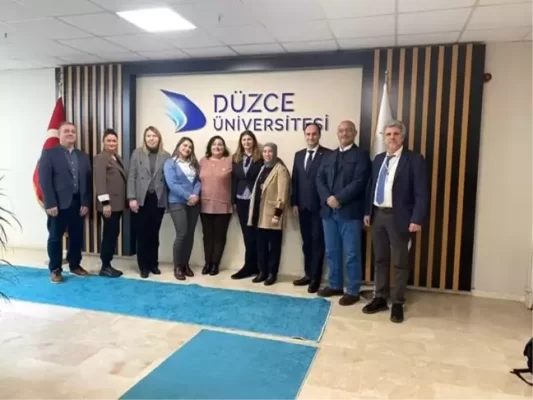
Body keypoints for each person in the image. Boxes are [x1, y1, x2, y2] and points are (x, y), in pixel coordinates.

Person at [363, 120, 428, 323]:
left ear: (402, 137)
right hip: (378, 215)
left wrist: (417, 218)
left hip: (400, 217)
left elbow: (421, 192)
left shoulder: (414, 159)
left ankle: (398, 302)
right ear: (384, 138)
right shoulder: (378, 159)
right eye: (388, 134)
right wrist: (367, 211)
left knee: (400, 261)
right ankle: (380, 297)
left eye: (395, 134)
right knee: (380, 259)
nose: (392, 137)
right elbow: (371, 187)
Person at [316, 120, 370, 305]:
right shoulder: (329, 156)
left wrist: (339, 198)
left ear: (355, 133)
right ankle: (335, 285)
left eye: (348, 130)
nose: (344, 133)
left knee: (352, 253)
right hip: (329, 213)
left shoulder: (361, 155)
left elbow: (359, 181)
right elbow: (319, 179)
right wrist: (328, 198)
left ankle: (353, 290)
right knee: (331, 251)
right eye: (341, 131)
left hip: (350, 213)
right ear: (337, 134)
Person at [38, 121, 92, 283]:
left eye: (73, 131)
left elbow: (87, 182)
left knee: (77, 236)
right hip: (58, 204)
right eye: (66, 131)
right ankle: (55, 269)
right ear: (59, 134)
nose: (70, 133)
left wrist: (85, 202)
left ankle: (75, 265)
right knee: (55, 237)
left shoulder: (83, 156)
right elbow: (45, 181)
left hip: (78, 203)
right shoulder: (49, 154)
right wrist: (50, 203)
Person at [291, 122, 331, 293]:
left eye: (314, 134)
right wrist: (294, 202)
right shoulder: (298, 155)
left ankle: (315, 278)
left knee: (317, 243)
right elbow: (295, 180)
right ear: (304, 135)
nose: (311, 137)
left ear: (319, 135)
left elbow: (330, 181)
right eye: (308, 134)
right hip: (303, 207)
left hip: (320, 207)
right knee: (306, 243)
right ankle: (308, 274)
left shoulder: (328, 154)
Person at [127, 126, 170, 278]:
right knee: (142, 234)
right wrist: (131, 198)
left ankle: (153, 264)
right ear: (145, 138)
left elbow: (169, 180)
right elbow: (131, 176)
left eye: (154, 136)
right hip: (140, 199)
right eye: (148, 136)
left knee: (154, 234)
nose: (151, 138)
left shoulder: (166, 156)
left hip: (157, 199)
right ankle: (143, 266)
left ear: (159, 138)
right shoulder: (137, 153)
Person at [248, 143, 290, 286]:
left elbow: (282, 195)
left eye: (270, 151)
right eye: (265, 151)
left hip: (273, 215)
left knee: (274, 247)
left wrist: (277, 214)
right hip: (260, 215)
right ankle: (262, 272)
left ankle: (272, 273)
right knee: (261, 246)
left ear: (275, 153)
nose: (267, 154)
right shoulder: (262, 168)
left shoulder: (280, 170)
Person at [164, 137, 201, 281]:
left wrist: (195, 195)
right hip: (177, 202)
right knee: (182, 234)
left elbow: (198, 181)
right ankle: (178, 266)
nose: (187, 148)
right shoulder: (170, 163)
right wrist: (188, 196)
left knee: (190, 234)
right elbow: (172, 184)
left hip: (194, 203)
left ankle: (185, 264)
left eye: (190, 147)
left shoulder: (194, 163)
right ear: (179, 146)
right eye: (185, 145)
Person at [230, 131, 263, 280]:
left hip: (255, 200)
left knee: (256, 234)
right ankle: (249, 266)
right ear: (241, 142)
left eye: (249, 139)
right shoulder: (236, 158)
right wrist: (233, 201)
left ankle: (258, 266)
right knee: (246, 234)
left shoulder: (260, 158)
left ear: (253, 141)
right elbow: (233, 180)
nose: (246, 142)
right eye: (244, 140)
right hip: (241, 200)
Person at [93, 128, 126, 278]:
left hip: (118, 204)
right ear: (103, 142)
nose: (112, 143)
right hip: (109, 205)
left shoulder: (117, 157)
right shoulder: (101, 158)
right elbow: (100, 182)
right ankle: (105, 266)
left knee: (113, 233)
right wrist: (105, 203)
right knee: (109, 235)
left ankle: (108, 264)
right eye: (108, 141)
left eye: (114, 140)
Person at [199, 135, 233, 276]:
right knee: (207, 236)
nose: (217, 147)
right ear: (210, 147)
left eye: (220, 144)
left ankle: (215, 264)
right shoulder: (202, 161)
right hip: (204, 204)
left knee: (219, 236)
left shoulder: (230, 161)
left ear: (224, 147)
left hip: (223, 205)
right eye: (214, 144)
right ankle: (207, 263)